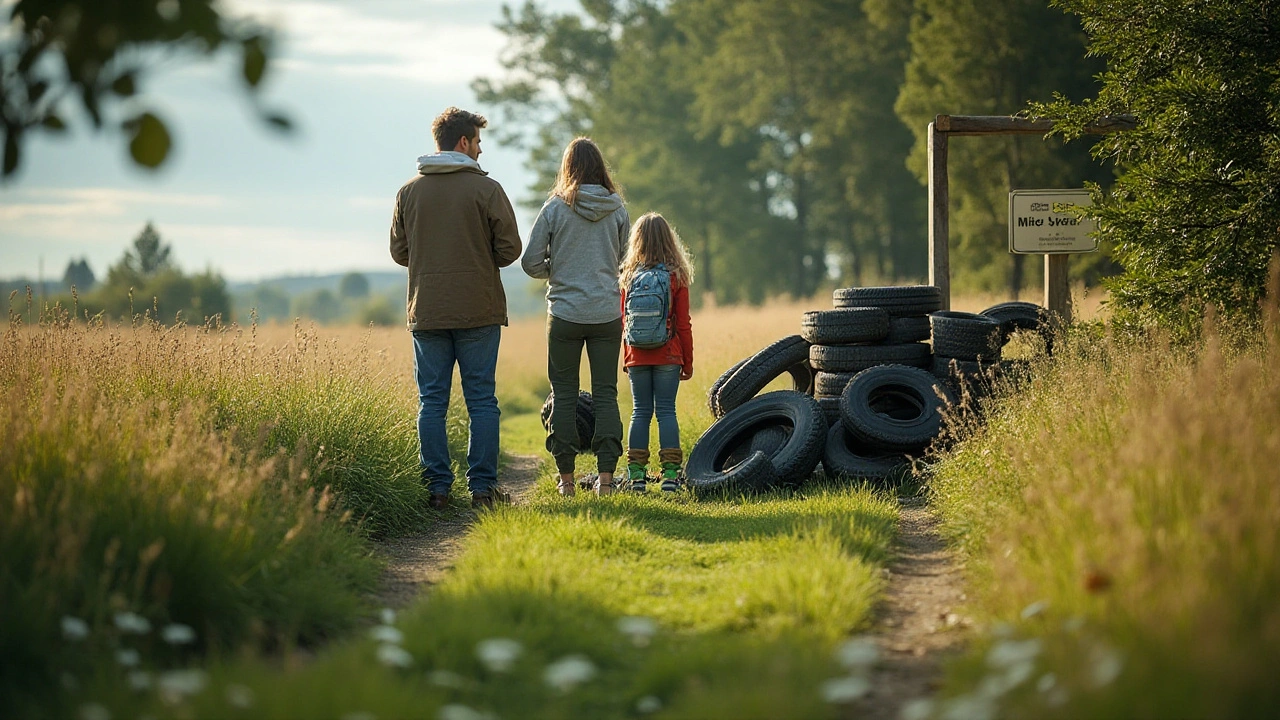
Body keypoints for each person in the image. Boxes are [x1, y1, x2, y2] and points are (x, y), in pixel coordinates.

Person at [390, 107, 522, 511]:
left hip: (427, 309)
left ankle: (437, 489)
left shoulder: (409, 192)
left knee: (431, 401)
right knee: (481, 398)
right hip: (478, 309)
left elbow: (399, 252)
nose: (481, 151)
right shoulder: (488, 190)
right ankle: (482, 489)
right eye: (479, 142)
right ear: (464, 142)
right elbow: (510, 249)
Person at [521, 137, 629, 496]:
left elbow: (530, 261)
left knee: (564, 395)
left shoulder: (554, 208)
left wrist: (559, 269)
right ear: (601, 168)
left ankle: (566, 482)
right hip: (605, 313)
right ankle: (607, 481)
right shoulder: (617, 208)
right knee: (606, 394)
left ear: (567, 168)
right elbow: (627, 263)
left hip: (564, 313)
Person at [619, 213, 695, 493]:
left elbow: (623, 322)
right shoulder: (676, 276)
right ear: (669, 239)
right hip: (668, 354)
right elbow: (683, 324)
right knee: (666, 411)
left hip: (636, 354)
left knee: (640, 411)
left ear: (636, 240)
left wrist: (627, 357)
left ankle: (636, 478)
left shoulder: (628, 276)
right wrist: (687, 360)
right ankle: (671, 478)